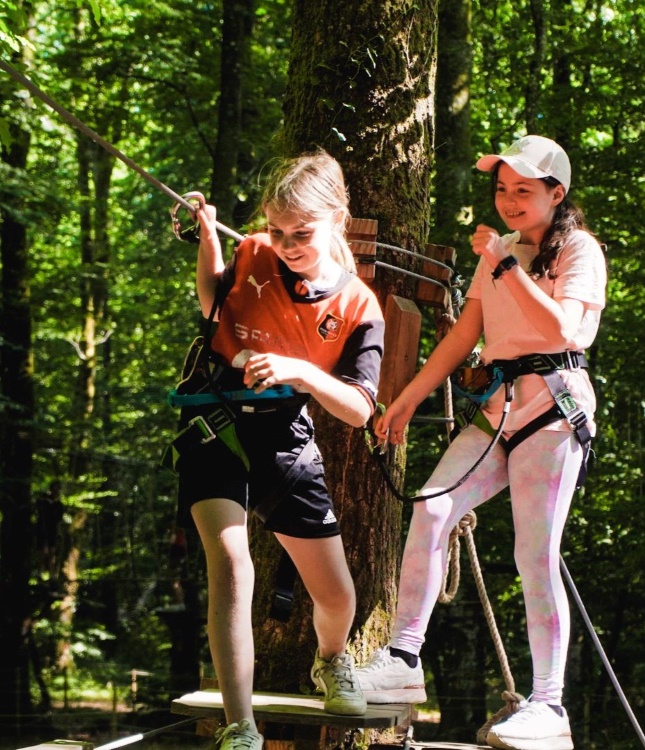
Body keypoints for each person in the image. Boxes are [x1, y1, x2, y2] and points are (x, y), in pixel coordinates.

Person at [356, 135, 606, 750]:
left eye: (524, 189)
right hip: (498, 411)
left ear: (556, 193)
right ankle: (404, 662)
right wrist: (411, 396)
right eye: (502, 189)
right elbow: (466, 331)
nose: (510, 200)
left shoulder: (577, 251)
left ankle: (549, 706)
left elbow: (564, 329)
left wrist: (503, 267)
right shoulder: (501, 251)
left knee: (534, 554)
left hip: (551, 410)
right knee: (432, 505)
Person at [173, 150, 384, 750]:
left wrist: (300, 371)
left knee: (338, 595)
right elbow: (214, 299)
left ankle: (332, 659)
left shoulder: (358, 308)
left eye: (302, 233)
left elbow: (359, 408)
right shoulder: (254, 251)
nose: (287, 244)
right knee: (232, 567)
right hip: (214, 420)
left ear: (337, 220)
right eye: (277, 230)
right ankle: (241, 729)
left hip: (284, 436)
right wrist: (210, 236)